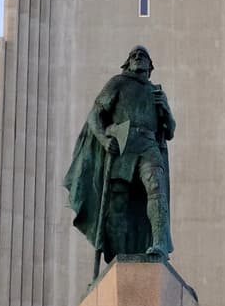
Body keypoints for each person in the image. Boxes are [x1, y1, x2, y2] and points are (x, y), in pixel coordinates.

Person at [64, 46, 176, 263]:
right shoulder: (118, 83)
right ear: (128, 63)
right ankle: (117, 254)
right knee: (118, 202)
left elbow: (169, 131)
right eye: (133, 55)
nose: (137, 57)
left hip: (148, 145)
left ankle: (160, 243)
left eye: (142, 55)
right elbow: (95, 115)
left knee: (156, 188)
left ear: (150, 66)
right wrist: (104, 140)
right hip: (124, 143)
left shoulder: (156, 92)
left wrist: (166, 110)